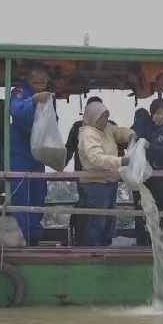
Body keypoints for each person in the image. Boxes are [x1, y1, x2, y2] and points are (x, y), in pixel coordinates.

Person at [9, 64, 55, 246]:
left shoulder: (50, 97)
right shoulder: (20, 92)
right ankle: (22, 239)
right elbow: (17, 111)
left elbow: (53, 121)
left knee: (37, 197)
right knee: (21, 199)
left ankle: (34, 237)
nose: (40, 86)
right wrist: (34, 100)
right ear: (29, 79)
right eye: (36, 83)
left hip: (38, 155)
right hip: (20, 154)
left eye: (43, 83)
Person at [78, 100, 134, 246]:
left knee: (109, 219)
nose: (104, 121)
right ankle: (94, 252)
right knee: (98, 220)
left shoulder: (107, 129)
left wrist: (131, 135)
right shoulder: (88, 134)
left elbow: (119, 132)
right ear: (92, 118)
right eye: (101, 117)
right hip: (95, 183)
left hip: (109, 181)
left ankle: (105, 248)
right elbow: (96, 158)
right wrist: (119, 161)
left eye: (106, 117)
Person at [65, 96, 119, 246]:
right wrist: (59, 165)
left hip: (110, 178)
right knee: (91, 212)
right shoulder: (79, 128)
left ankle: (103, 243)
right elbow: (69, 149)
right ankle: (89, 245)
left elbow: (121, 146)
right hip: (87, 179)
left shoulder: (110, 128)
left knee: (108, 211)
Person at [131, 98, 163, 246]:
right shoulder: (145, 127)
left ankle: (162, 239)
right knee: (143, 208)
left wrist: (146, 146)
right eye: (158, 113)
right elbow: (134, 136)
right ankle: (143, 239)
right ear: (152, 113)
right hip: (146, 178)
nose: (161, 117)